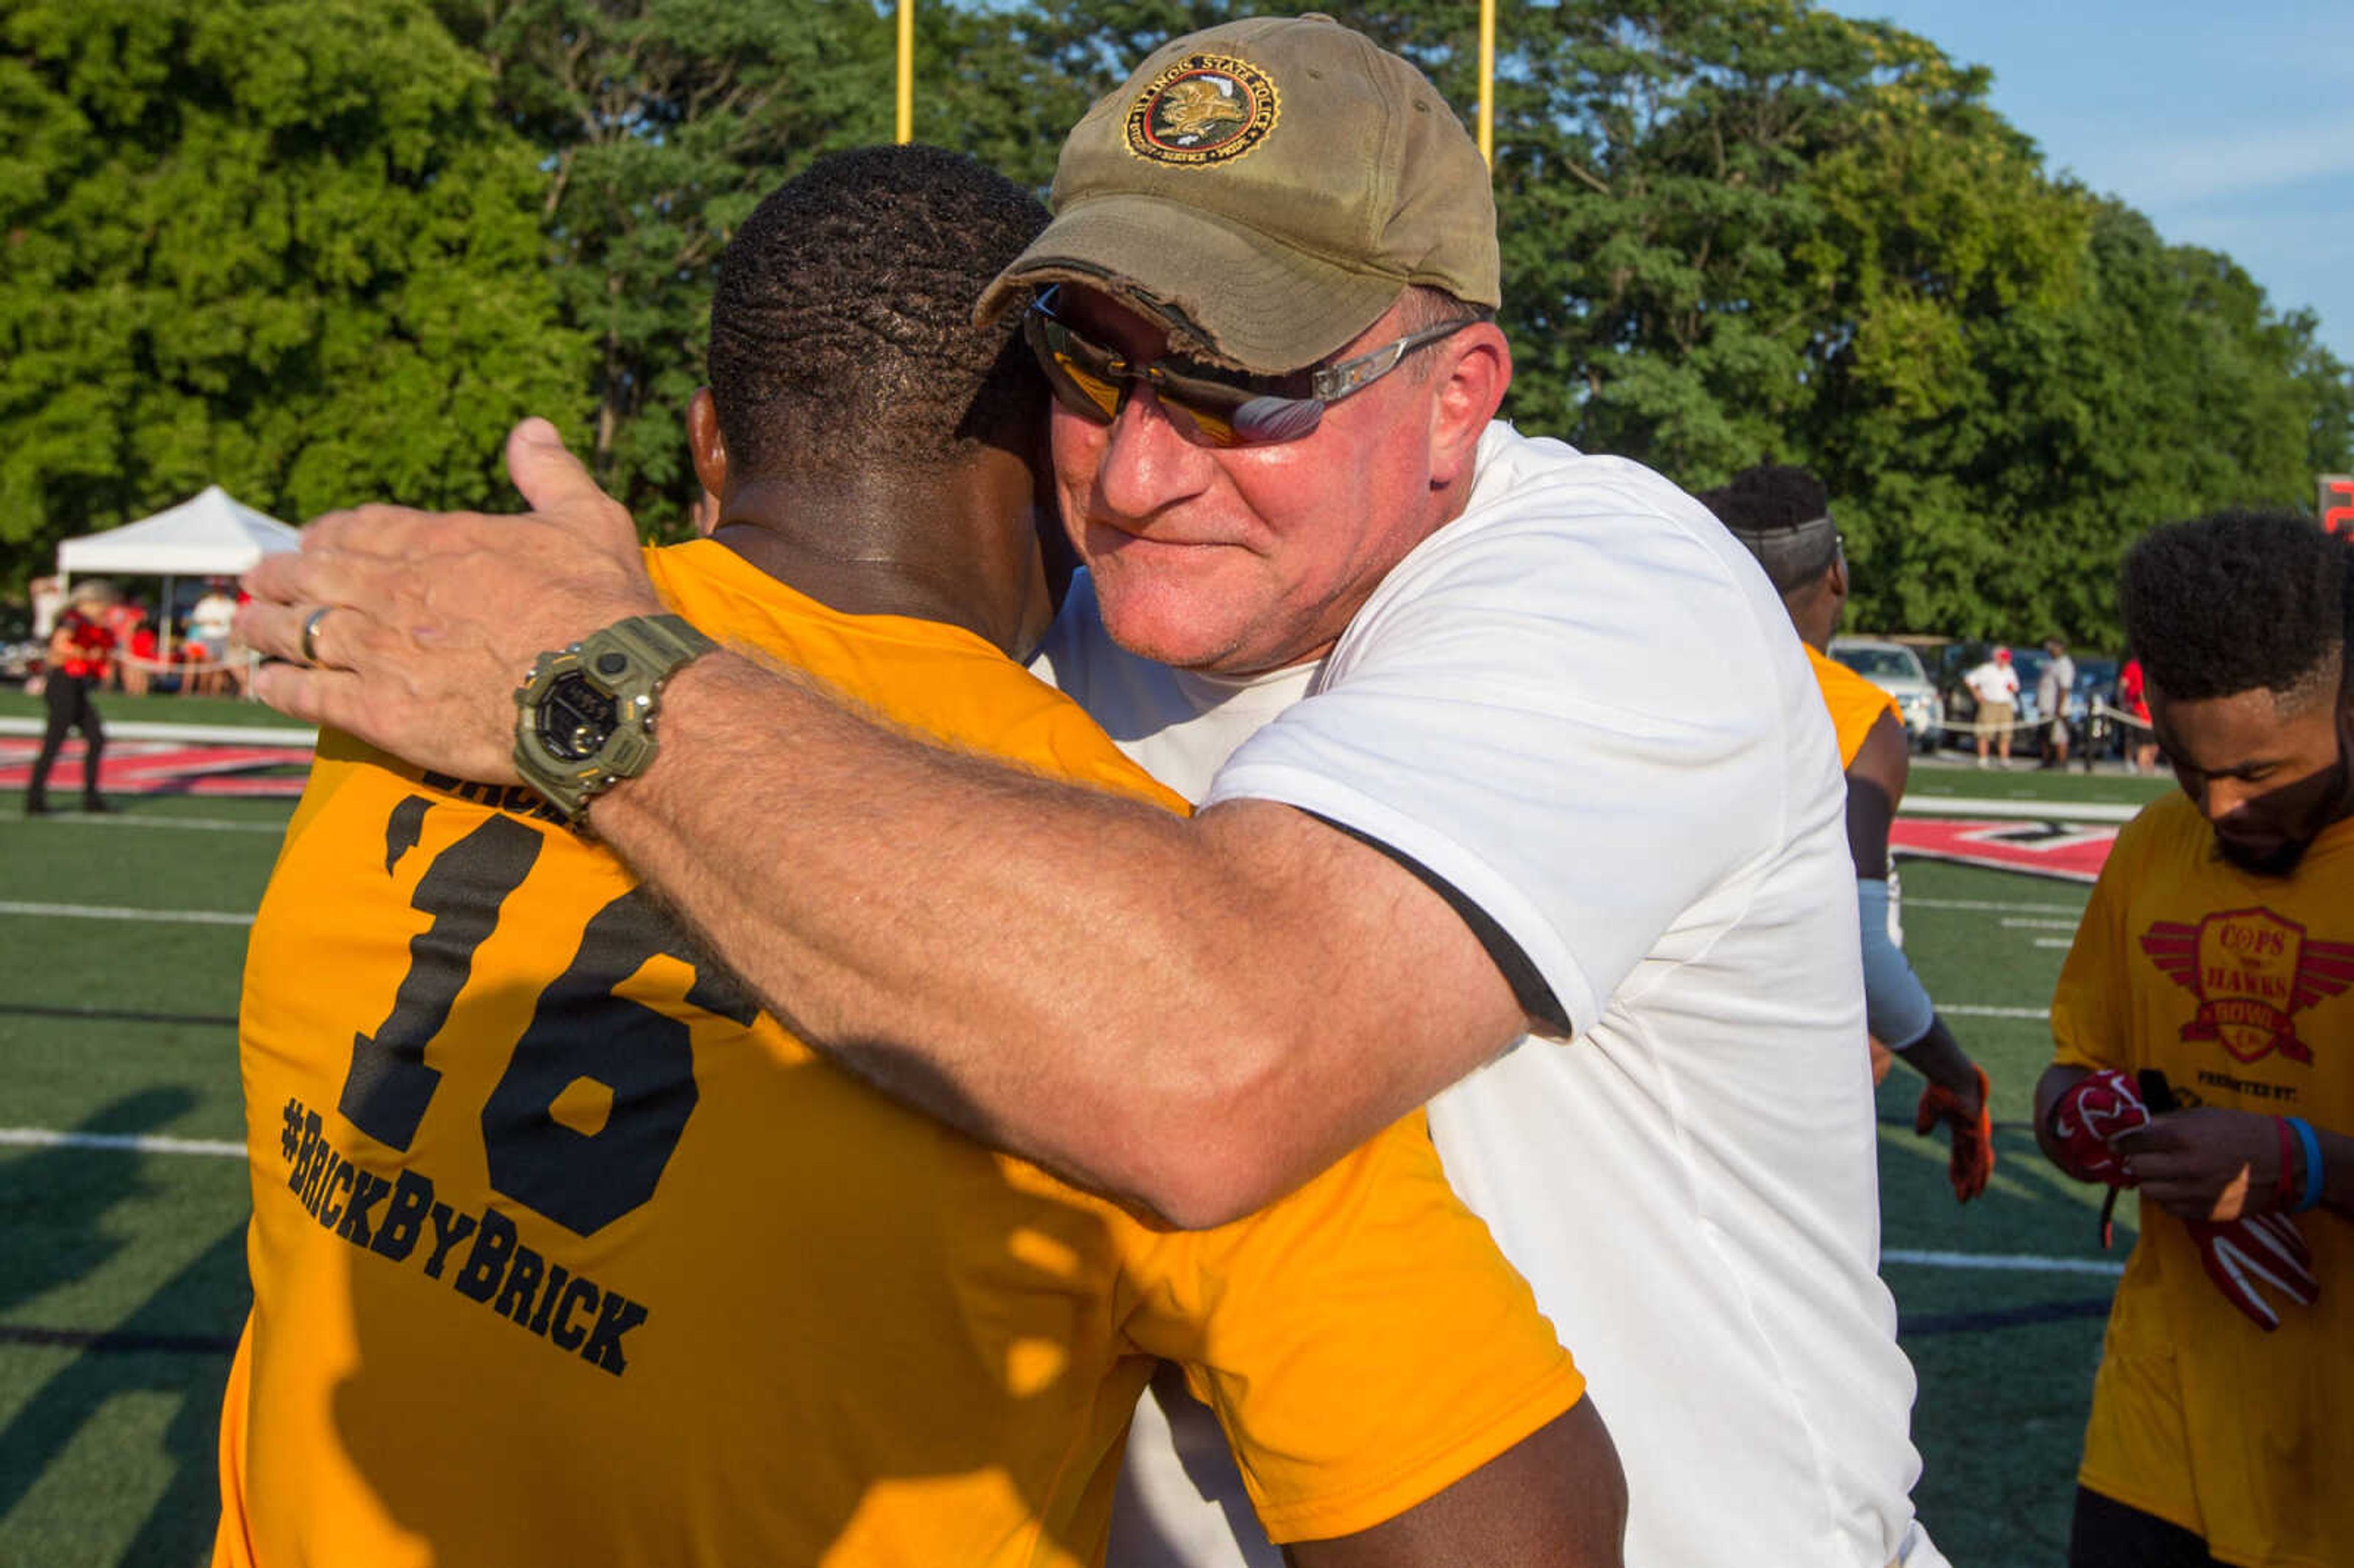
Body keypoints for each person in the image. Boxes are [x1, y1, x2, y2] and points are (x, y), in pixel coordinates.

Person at [239, 18, 1933, 1566]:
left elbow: (1219, 1048)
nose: (1132, 470)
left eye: (1241, 384)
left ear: (1458, 398)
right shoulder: (1074, 615)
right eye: (1085, 357)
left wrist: (589, 683)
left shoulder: (1617, 591)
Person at [2035, 509, 2352, 1568]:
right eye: (2182, 765)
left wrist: (2303, 1165)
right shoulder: (2151, 845)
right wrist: (2088, 1116)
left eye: (2259, 773)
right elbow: (2077, 1067)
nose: (2216, 806)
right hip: (2157, 1437)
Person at [1697, 465, 1992, 1204]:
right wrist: (1957, 1075)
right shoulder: (1857, 717)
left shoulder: (1655, 679)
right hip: (1780, 1078)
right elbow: (1855, 944)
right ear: (1837, 573)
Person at [26, 578, 117, 816]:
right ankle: (35, 798)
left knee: (96, 737)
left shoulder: (88, 624)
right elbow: (60, 647)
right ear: (89, 602)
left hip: (77, 686)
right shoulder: (73, 620)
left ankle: (91, 796)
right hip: (62, 684)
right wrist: (89, 654)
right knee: (54, 742)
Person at [1963, 645, 2021, 767]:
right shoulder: (1987, 669)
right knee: (1985, 732)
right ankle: (1983, 759)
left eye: (2007, 658)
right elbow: (1969, 680)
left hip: (2005, 704)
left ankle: (2004, 759)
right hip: (1989, 704)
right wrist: (1977, 693)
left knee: (2005, 733)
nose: (2005, 661)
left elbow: (2015, 687)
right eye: (2003, 658)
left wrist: (2012, 688)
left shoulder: (2010, 670)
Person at [2117, 652, 2161, 774]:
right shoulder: (2132, 666)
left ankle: (2148, 765)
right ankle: (2134, 763)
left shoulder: (2152, 667)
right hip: (2137, 709)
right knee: (2137, 740)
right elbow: (2124, 685)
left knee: (2153, 742)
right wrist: (2122, 703)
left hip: (2149, 711)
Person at [2038, 636, 2078, 767]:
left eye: (2052, 648)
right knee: (2045, 736)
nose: (2050, 651)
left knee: (2060, 737)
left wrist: (2059, 708)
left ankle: (2062, 762)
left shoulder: (2065, 665)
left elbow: (2064, 688)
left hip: (2056, 708)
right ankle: (2047, 761)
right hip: (2046, 706)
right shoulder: (2050, 663)